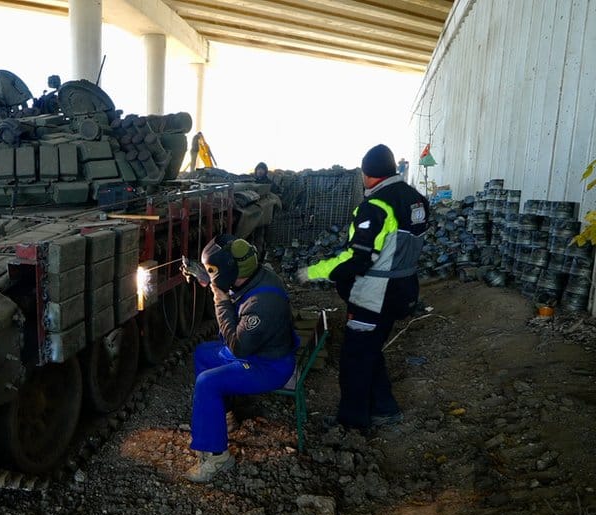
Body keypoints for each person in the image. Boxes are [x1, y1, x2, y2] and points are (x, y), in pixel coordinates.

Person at [296, 144, 430, 431]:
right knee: (370, 348)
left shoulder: (376, 206)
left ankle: (352, 424)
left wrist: (314, 272)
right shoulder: (416, 200)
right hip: (405, 288)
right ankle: (384, 409)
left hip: (376, 294)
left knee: (355, 357)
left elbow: (358, 258)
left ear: (369, 175)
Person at [180, 235, 298, 483]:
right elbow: (234, 288)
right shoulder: (256, 275)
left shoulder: (261, 305)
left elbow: (238, 347)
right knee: (203, 353)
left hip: (270, 366)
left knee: (207, 382)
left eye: (215, 270)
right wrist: (207, 278)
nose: (213, 274)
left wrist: (220, 302)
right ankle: (222, 417)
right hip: (260, 350)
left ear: (231, 270)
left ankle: (218, 457)